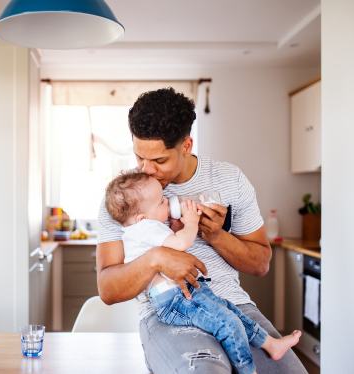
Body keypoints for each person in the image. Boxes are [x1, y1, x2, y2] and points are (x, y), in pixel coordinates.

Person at [96, 87, 308, 374]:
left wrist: (217, 236)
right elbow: (107, 289)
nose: (146, 171)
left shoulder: (229, 180)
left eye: (159, 161)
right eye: (139, 157)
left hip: (233, 305)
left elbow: (260, 265)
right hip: (168, 314)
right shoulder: (125, 199)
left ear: (186, 146)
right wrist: (156, 258)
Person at [104, 170, 301, 374]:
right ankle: (248, 370)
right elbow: (179, 244)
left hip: (184, 293)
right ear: (141, 217)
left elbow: (168, 246)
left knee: (230, 311)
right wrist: (190, 222)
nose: (168, 201)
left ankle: (270, 344)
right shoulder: (144, 227)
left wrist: (176, 227)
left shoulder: (142, 228)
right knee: (229, 323)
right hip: (174, 300)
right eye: (162, 201)